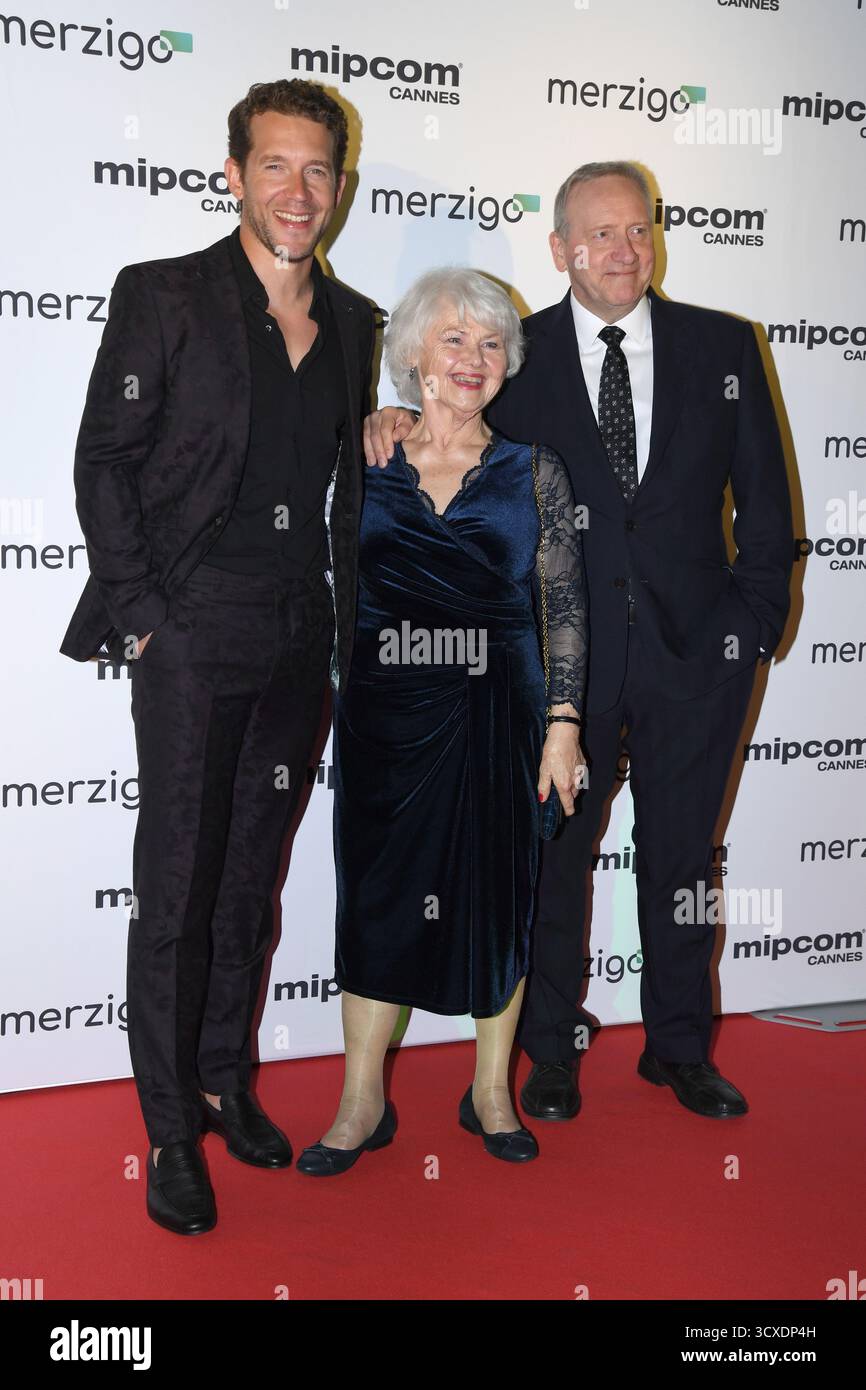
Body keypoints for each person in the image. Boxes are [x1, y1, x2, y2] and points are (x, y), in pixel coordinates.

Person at [364, 162, 793, 1122]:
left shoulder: (723, 346)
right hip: (562, 662)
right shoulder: (520, 357)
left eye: (637, 231)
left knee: (685, 857)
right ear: (559, 249)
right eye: (599, 234)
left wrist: (753, 625)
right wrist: (395, 413)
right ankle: (549, 1051)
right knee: (556, 857)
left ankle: (680, 1047)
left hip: (698, 659)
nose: (622, 251)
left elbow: (766, 508)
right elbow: (460, 435)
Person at [60, 79, 375, 1234]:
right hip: (191, 636)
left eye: (318, 170)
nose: (299, 192)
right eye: (276, 167)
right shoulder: (166, 296)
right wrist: (146, 615)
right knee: (178, 888)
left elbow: (342, 484)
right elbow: (104, 460)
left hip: (299, 638)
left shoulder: (352, 325)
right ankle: (167, 1129)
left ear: (339, 185)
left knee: (250, 881)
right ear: (233, 174)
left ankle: (223, 1078)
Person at [295, 268, 588, 1175]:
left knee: (500, 895)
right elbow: (329, 584)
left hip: (501, 710)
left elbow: (562, 603)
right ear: (414, 353)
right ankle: (360, 1101)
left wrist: (564, 723)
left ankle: (492, 1091)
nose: (473, 358)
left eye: (491, 343)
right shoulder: (366, 456)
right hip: (388, 715)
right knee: (378, 900)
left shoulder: (533, 469)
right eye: (454, 339)